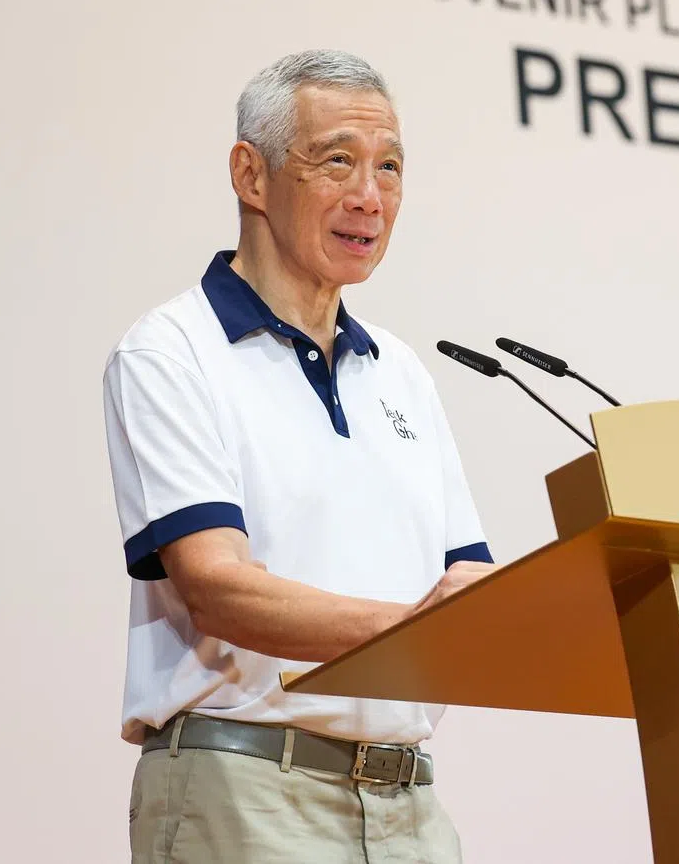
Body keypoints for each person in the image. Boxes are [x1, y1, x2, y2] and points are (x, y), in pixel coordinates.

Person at [103, 50, 496, 863]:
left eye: (390, 167)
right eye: (339, 160)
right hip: (248, 792)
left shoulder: (403, 373)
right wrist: (416, 630)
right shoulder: (172, 351)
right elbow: (216, 588)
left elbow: (466, 587)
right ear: (252, 174)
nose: (371, 196)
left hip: (409, 805)